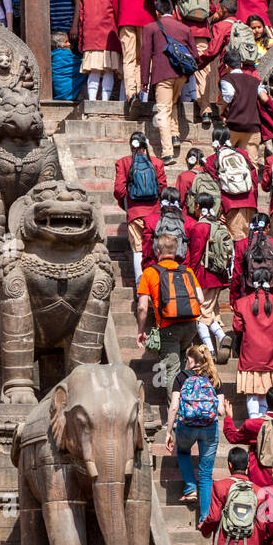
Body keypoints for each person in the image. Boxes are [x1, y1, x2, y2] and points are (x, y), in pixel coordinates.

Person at [149, 0, 217, 128]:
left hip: (179, 33)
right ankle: (205, 109)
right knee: (203, 70)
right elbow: (212, 8)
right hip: (201, 32)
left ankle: (174, 125)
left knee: (176, 70)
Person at [162, 343, 223, 524]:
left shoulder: (181, 377)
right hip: (209, 428)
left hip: (186, 426)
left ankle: (190, 488)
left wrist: (168, 432)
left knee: (182, 452)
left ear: (190, 359)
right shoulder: (213, 377)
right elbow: (220, 410)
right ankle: (204, 518)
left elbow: (174, 406)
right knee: (205, 474)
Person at [136, 232, 203, 395]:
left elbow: (142, 307)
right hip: (191, 326)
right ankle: (186, 407)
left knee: (172, 370)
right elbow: (200, 299)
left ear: (157, 251)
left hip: (168, 326)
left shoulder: (149, 273)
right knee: (181, 364)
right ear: (176, 251)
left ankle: (175, 417)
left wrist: (140, 330)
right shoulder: (186, 271)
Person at [141, 0, 198, 165]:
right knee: (172, 104)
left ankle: (167, 153)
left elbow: (145, 55)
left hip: (162, 75)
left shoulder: (150, 27)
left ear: (157, 12)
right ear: (173, 11)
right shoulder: (184, 28)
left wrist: (144, 79)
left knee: (163, 111)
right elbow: (195, 55)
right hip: (181, 74)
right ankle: (175, 135)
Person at [114, 131, 168, 284]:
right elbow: (163, 188)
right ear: (146, 145)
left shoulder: (123, 162)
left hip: (135, 213)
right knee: (155, 247)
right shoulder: (157, 163)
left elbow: (119, 190)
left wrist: (128, 203)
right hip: (155, 214)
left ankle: (141, 288)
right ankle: (157, 285)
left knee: (138, 249)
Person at [232, 284, 273, 420]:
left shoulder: (241, 303)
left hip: (250, 352)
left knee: (251, 391)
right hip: (272, 353)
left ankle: (253, 420)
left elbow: (237, 328)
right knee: (267, 391)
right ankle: (263, 418)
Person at [112, 0, 157, 114]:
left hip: (125, 21)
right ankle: (141, 92)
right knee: (143, 59)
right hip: (146, 21)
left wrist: (119, 24)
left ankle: (132, 94)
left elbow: (114, 7)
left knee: (129, 59)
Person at [186, 191, 231, 360]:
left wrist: (190, 276)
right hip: (219, 276)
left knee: (199, 315)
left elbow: (196, 255)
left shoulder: (200, 227)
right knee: (208, 312)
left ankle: (210, 349)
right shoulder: (218, 225)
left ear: (198, 206)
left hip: (203, 277)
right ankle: (221, 336)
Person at [205, 127, 259, 241]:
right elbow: (254, 178)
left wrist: (219, 211)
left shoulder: (212, 160)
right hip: (249, 203)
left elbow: (214, 188)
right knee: (247, 241)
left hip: (230, 206)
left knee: (235, 244)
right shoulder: (242, 154)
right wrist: (254, 203)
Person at [219, 49, 272, 159]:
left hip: (234, 124)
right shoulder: (254, 81)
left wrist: (221, 111)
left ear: (226, 66)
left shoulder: (227, 80)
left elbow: (229, 96)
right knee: (252, 161)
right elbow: (264, 98)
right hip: (253, 126)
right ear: (241, 65)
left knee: (225, 157)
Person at [78, 0, 122, 102]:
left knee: (94, 70)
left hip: (90, 37)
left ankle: (91, 101)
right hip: (109, 37)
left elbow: (81, 19)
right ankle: (105, 101)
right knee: (108, 70)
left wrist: (81, 42)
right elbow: (118, 14)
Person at [230, 212, 273, 309]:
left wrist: (234, 299)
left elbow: (237, 275)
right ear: (268, 226)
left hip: (248, 292)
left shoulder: (241, 244)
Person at [197, 0, 240, 81]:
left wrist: (197, 64)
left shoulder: (222, 26)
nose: (217, 11)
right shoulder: (240, 25)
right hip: (243, 66)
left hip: (228, 67)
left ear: (224, 9)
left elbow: (212, 51)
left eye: (219, 9)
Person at [50, 32, 85, 102]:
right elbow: (83, 66)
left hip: (59, 92)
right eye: (66, 42)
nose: (69, 44)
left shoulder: (52, 57)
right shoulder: (65, 55)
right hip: (69, 92)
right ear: (58, 46)